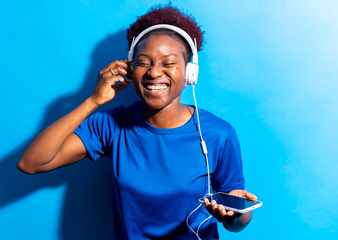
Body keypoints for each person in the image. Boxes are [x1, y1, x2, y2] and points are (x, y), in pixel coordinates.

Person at [18, 5, 257, 240]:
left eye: (168, 63)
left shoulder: (218, 133)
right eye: (144, 62)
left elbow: (237, 223)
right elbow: (32, 163)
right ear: (130, 70)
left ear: (189, 73)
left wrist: (234, 216)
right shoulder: (111, 125)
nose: (154, 73)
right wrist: (93, 101)